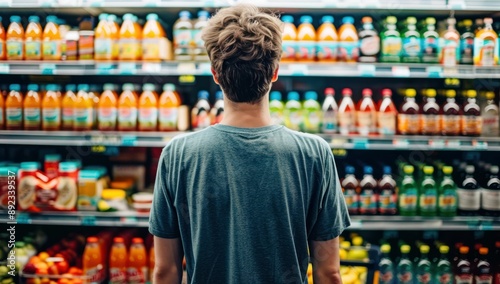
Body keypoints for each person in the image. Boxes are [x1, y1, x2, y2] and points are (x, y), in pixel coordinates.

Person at [149, 4, 350, 284]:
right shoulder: (314, 153)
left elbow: (166, 271)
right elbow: (328, 272)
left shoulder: (178, 154)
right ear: (275, 72)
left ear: (215, 75)